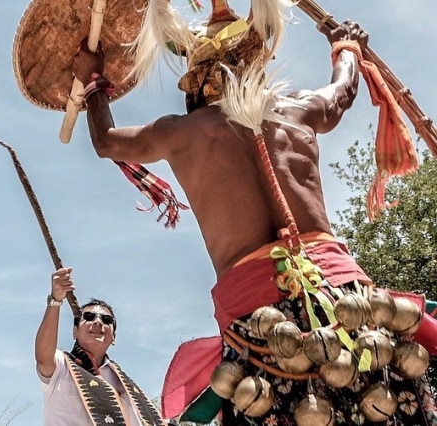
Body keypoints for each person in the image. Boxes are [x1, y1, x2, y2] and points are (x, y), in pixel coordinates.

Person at [72, 0, 437, 424]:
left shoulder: (179, 133)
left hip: (261, 329)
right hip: (351, 307)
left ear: (195, 81)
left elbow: (107, 141)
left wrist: (93, 80)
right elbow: (341, 95)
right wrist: (347, 49)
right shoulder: (298, 111)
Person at [34, 266, 165, 425]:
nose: (97, 322)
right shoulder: (62, 365)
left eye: (106, 320)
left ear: (114, 337)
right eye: (89, 317)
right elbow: (43, 358)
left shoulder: (126, 386)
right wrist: (55, 300)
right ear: (75, 331)